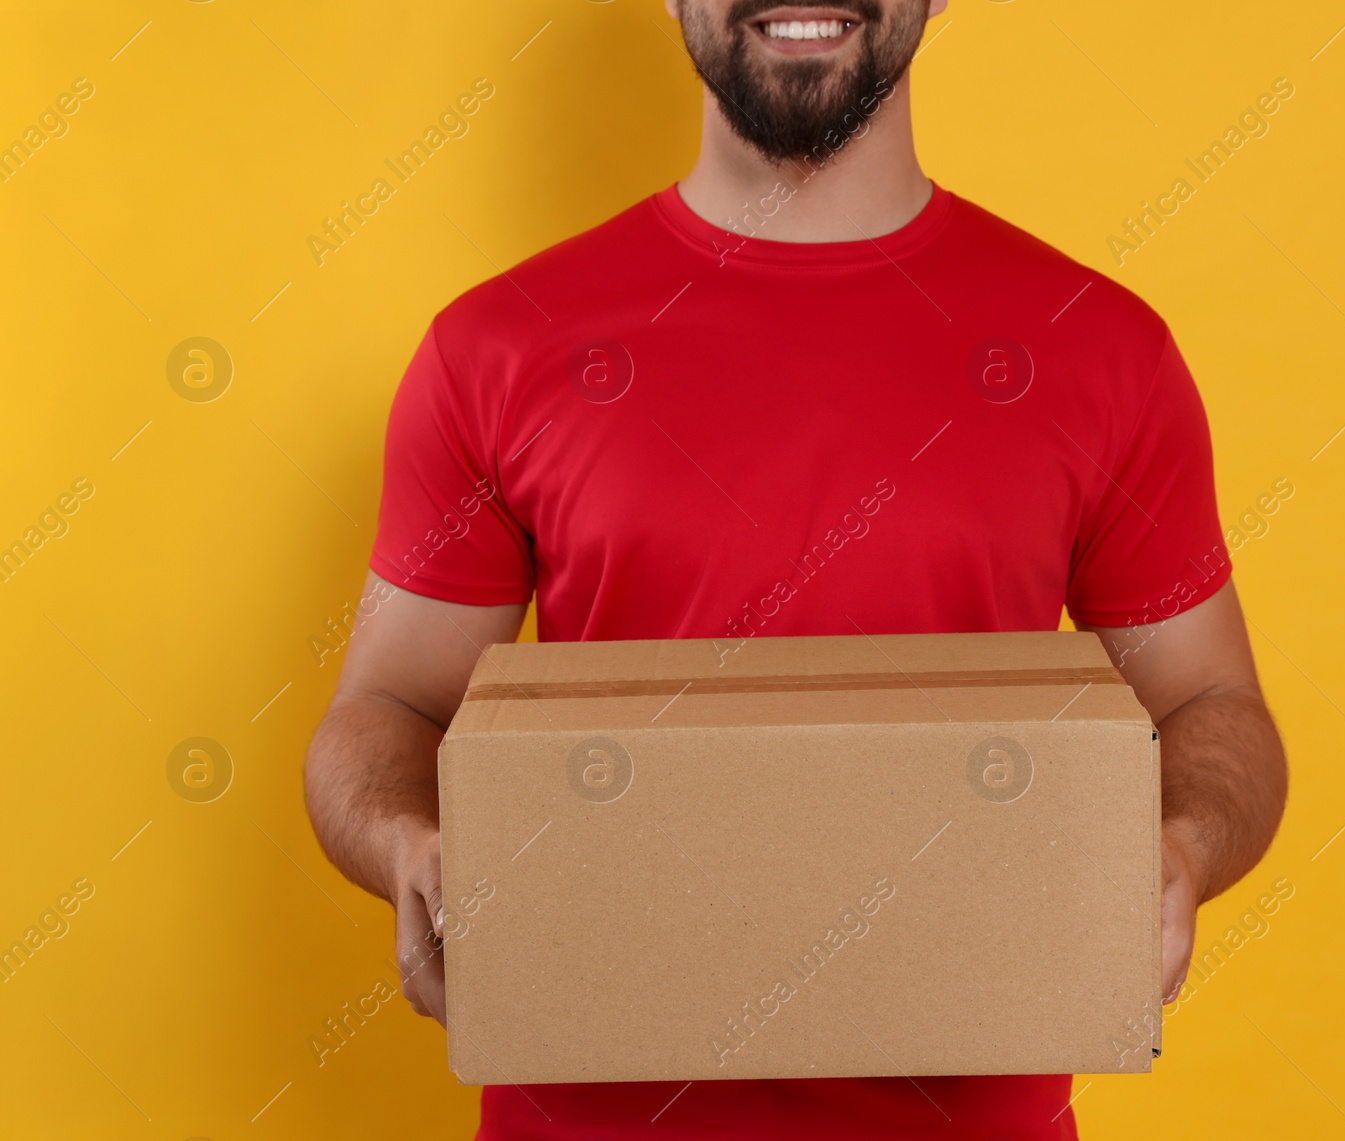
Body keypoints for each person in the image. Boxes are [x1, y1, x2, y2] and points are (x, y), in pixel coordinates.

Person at [304, 1, 1289, 1138]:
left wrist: (1180, 842)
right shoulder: (495, 350)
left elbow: (1215, 707)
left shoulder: (1098, 349)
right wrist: (407, 842)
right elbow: (383, 706)